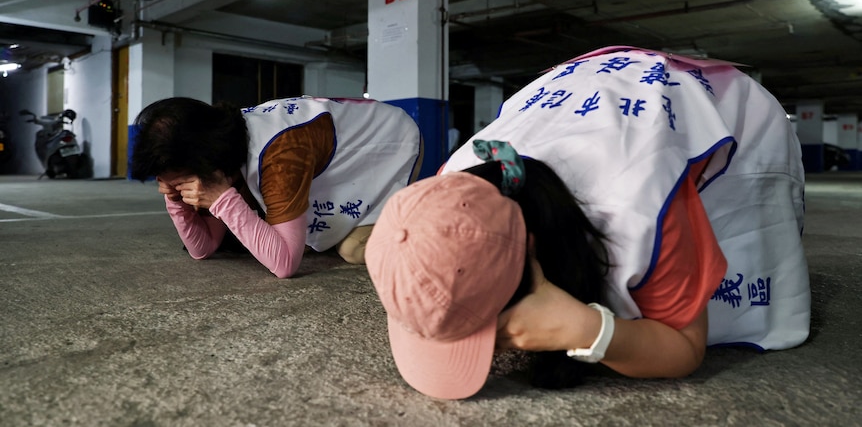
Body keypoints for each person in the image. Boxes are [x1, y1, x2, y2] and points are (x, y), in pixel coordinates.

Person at [365, 46, 809, 400]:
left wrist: (591, 331)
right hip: (577, 88)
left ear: (535, 256)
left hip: (724, 106)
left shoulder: (642, 203)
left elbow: (685, 348)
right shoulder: (454, 177)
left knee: (732, 273)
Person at [130, 95, 423, 278]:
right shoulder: (221, 144)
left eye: (181, 182)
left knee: (352, 249)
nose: (178, 188)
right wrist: (176, 202)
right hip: (340, 149)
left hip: (388, 144)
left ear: (209, 167)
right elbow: (203, 248)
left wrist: (223, 200)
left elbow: (284, 265)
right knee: (301, 236)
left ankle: (431, 220)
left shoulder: (279, 155)